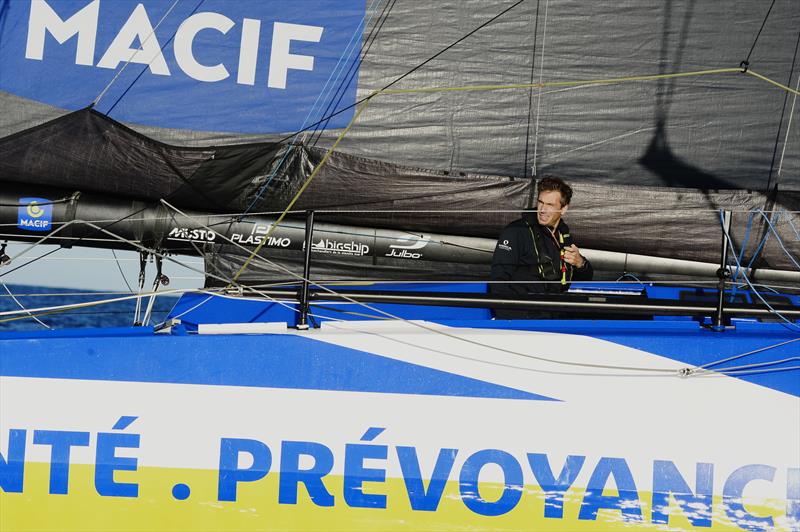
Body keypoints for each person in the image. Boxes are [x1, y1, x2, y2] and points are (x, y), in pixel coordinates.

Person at [490, 176, 593, 318]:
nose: (543, 209)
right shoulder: (516, 232)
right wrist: (512, 323)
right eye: (540, 202)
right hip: (523, 320)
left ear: (563, 209)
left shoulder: (563, 236)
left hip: (553, 320)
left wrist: (580, 263)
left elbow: (584, 279)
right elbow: (497, 283)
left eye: (550, 205)